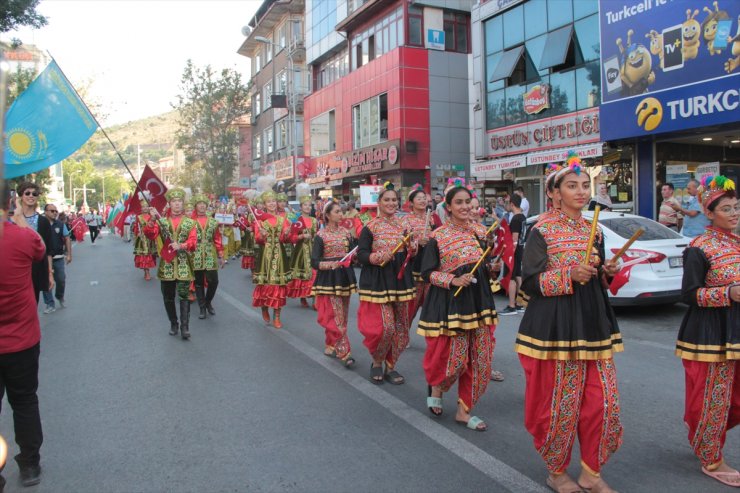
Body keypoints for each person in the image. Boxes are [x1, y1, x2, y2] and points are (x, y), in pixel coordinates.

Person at [516, 153, 623, 493]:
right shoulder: (541, 230)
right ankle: (557, 471)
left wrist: (606, 273)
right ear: (554, 192)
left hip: (593, 323)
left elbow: (597, 277)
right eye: (572, 185)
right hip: (555, 325)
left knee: (603, 402)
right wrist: (568, 274)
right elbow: (529, 282)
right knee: (558, 401)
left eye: (584, 185)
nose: (580, 191)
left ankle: (591, 472)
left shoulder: (597, 231)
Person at [674, 175, 739, 488]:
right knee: (712, 396)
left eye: (736, 207)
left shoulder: (737, 243)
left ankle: (704, 436)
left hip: (735, 328)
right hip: (708, 332)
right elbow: (688, 294)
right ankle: (712, 457)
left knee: (733, 397)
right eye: (727, 208)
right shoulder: (699, 248)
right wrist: (727, 293)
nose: (734, 213)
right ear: (710, 213)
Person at [417, 181, 498, 432]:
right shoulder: (437, 237)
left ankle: (465, 410)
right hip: (452, 303)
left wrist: (491, 269)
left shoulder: (480, 232)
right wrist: (452, 279)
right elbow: (427, 273)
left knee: (482, 360)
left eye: (467, 202)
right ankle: (437, 386)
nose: (465, 207)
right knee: (454, 360)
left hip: (480, 301)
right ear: (448, 207)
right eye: (459, 203)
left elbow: (483, 264)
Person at [0, 198, 47, 488]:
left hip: (20, 339)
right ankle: (30, 464)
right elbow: (39, 248)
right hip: (21, 341)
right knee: (25, 402)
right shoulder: (21, 236)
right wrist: (18, 220)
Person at [357, 182, 416, 385]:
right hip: (378, 280)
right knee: (386, 327)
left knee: (401, 328)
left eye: (394, 200)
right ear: (379, 203)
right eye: (387, 200)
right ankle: (377, 361)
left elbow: (411, 256)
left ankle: (391, 365)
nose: (391, 203)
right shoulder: (370, 227)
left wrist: (413, 249)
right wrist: (377, 257)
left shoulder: (404, 227)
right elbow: (361, 254)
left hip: (401, 280)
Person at [144, 188, 198, 340]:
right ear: (170, 204)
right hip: (167, 264)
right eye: (174, 202)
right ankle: (173, 323)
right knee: (168, 297)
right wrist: (153, 219)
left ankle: (185, 326)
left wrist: (181, 246)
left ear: (183, 203)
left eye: (179, 201)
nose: (177, 204)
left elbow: (193, 242)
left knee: (184, 295)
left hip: (183, 264)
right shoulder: (162, 222)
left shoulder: (190, 223)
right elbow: (149, 233)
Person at [311, 201, 358, 367]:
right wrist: (330, 265)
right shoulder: (321, 235)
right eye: (337, 212)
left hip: (344, 276)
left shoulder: (346, 233)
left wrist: (357, 254)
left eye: (341, 211)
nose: (341, 214)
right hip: (329, 277)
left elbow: (353, 255)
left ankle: (331, 343)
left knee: (342, 315)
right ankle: (344, 351)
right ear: (328, 215)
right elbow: (314, 261)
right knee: (335, 315)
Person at [252, 190, 291, 329]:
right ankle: (264, 307)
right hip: (265, 256)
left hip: (279, 256)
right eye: (269, 202)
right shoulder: (260, 220)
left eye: (274, 201)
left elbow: (286, 239)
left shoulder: (283, 219)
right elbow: (257, 239)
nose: (272, 204)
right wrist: (261, 235)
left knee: (278, 285)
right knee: (265, 284)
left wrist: (286, 234)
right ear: (265, 204)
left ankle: (277, 316)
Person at [403, 184, 435, 323]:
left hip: (430, 263)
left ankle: (432, 337)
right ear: (411, 203)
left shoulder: (432, 219)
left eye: (424, 198)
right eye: (419, 198)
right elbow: (403, 243)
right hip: (415, 264)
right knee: (412, 304)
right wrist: (416, 243)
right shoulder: (406, 220)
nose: (423, 201)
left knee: (431, 303)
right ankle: (404, 333)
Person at [16, 182, 52, 305]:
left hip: (36, 270)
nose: (31, 196)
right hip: (16, 269)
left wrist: (50, 274)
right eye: (27, 193)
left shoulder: (43, 222)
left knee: (32, 304)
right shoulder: (12, 220)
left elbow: (48, 250)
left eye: (34, 194)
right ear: (21, 195)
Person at [192, 194, 224, 320]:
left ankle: (208, 301)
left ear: (206, 206)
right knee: (198, 282)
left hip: (210, 253)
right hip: (196, 254)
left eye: (203, 204)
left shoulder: (213, 221)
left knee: (214, 281)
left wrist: (221, 255)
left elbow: (217, 239)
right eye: (199, 204)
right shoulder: (190, 222)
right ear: (196, 206)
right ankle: (202, 307)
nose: (201, 206)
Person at [287, 190, 318, 308]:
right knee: (304, 276)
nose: (308, 207)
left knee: (315, 274)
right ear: (301, 207)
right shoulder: (296, 219)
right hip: (300, 252)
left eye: (309, 205)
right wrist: (301, 236)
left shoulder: (314, 220)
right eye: (305, 205)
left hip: (313, 250)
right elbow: (291, 237)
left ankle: (315, 300)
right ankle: (303, 296)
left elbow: (316, 235)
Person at [499, 194, 526, 315]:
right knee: (518, 276)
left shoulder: (515, 219)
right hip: (521, 249)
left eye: (508, 203)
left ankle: (511, 305)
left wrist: (509, 255)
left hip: (514, 252)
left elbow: (514, 239)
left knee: (511, 277)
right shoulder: (523, 217)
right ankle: (520, 303)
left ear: (512, 204)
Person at [41, 204, 71, 312]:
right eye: (52, 211)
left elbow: (67, 238)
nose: (54, 213)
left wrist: (69, 254)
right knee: (46, 281)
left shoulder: (60, 224)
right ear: (45, 212)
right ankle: (49, 304)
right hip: (43, 258)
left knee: (61, 279)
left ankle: (59, 296)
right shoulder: (40, 224)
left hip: (58, 257)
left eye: (56, 211)